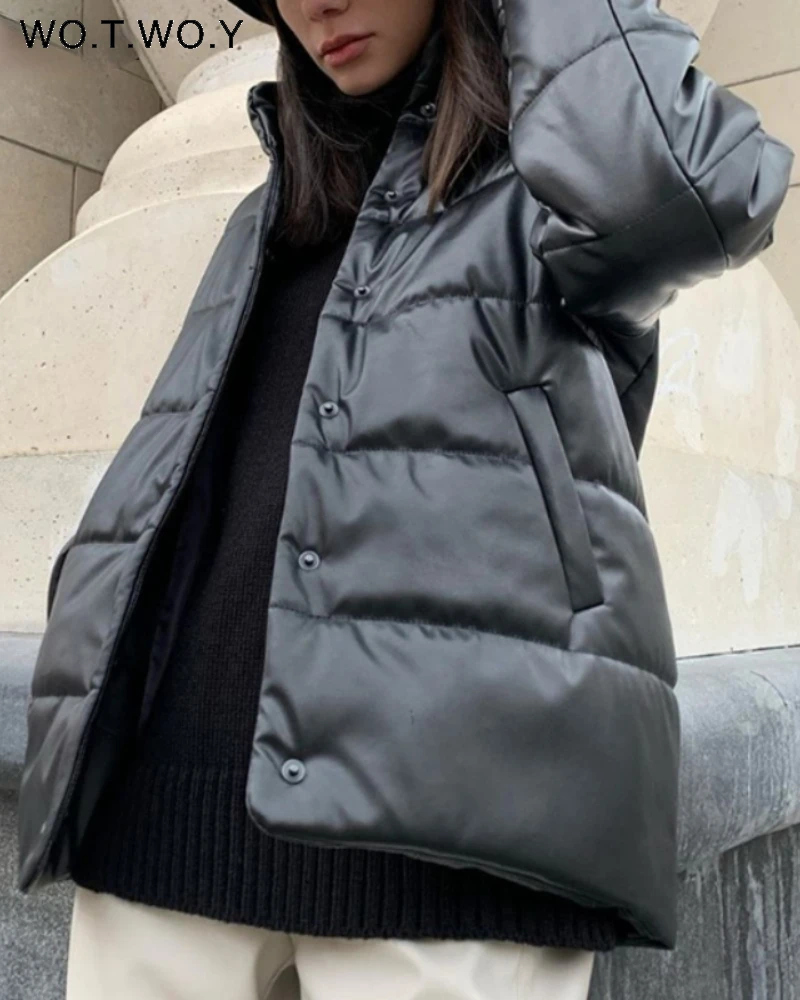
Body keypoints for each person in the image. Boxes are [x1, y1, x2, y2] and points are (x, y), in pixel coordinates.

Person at [18, 0, 794, 998]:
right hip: (158, 818)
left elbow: (694, 195)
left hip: (456, 834)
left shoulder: (557, 179)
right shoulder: (269, 206)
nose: (316, 4)